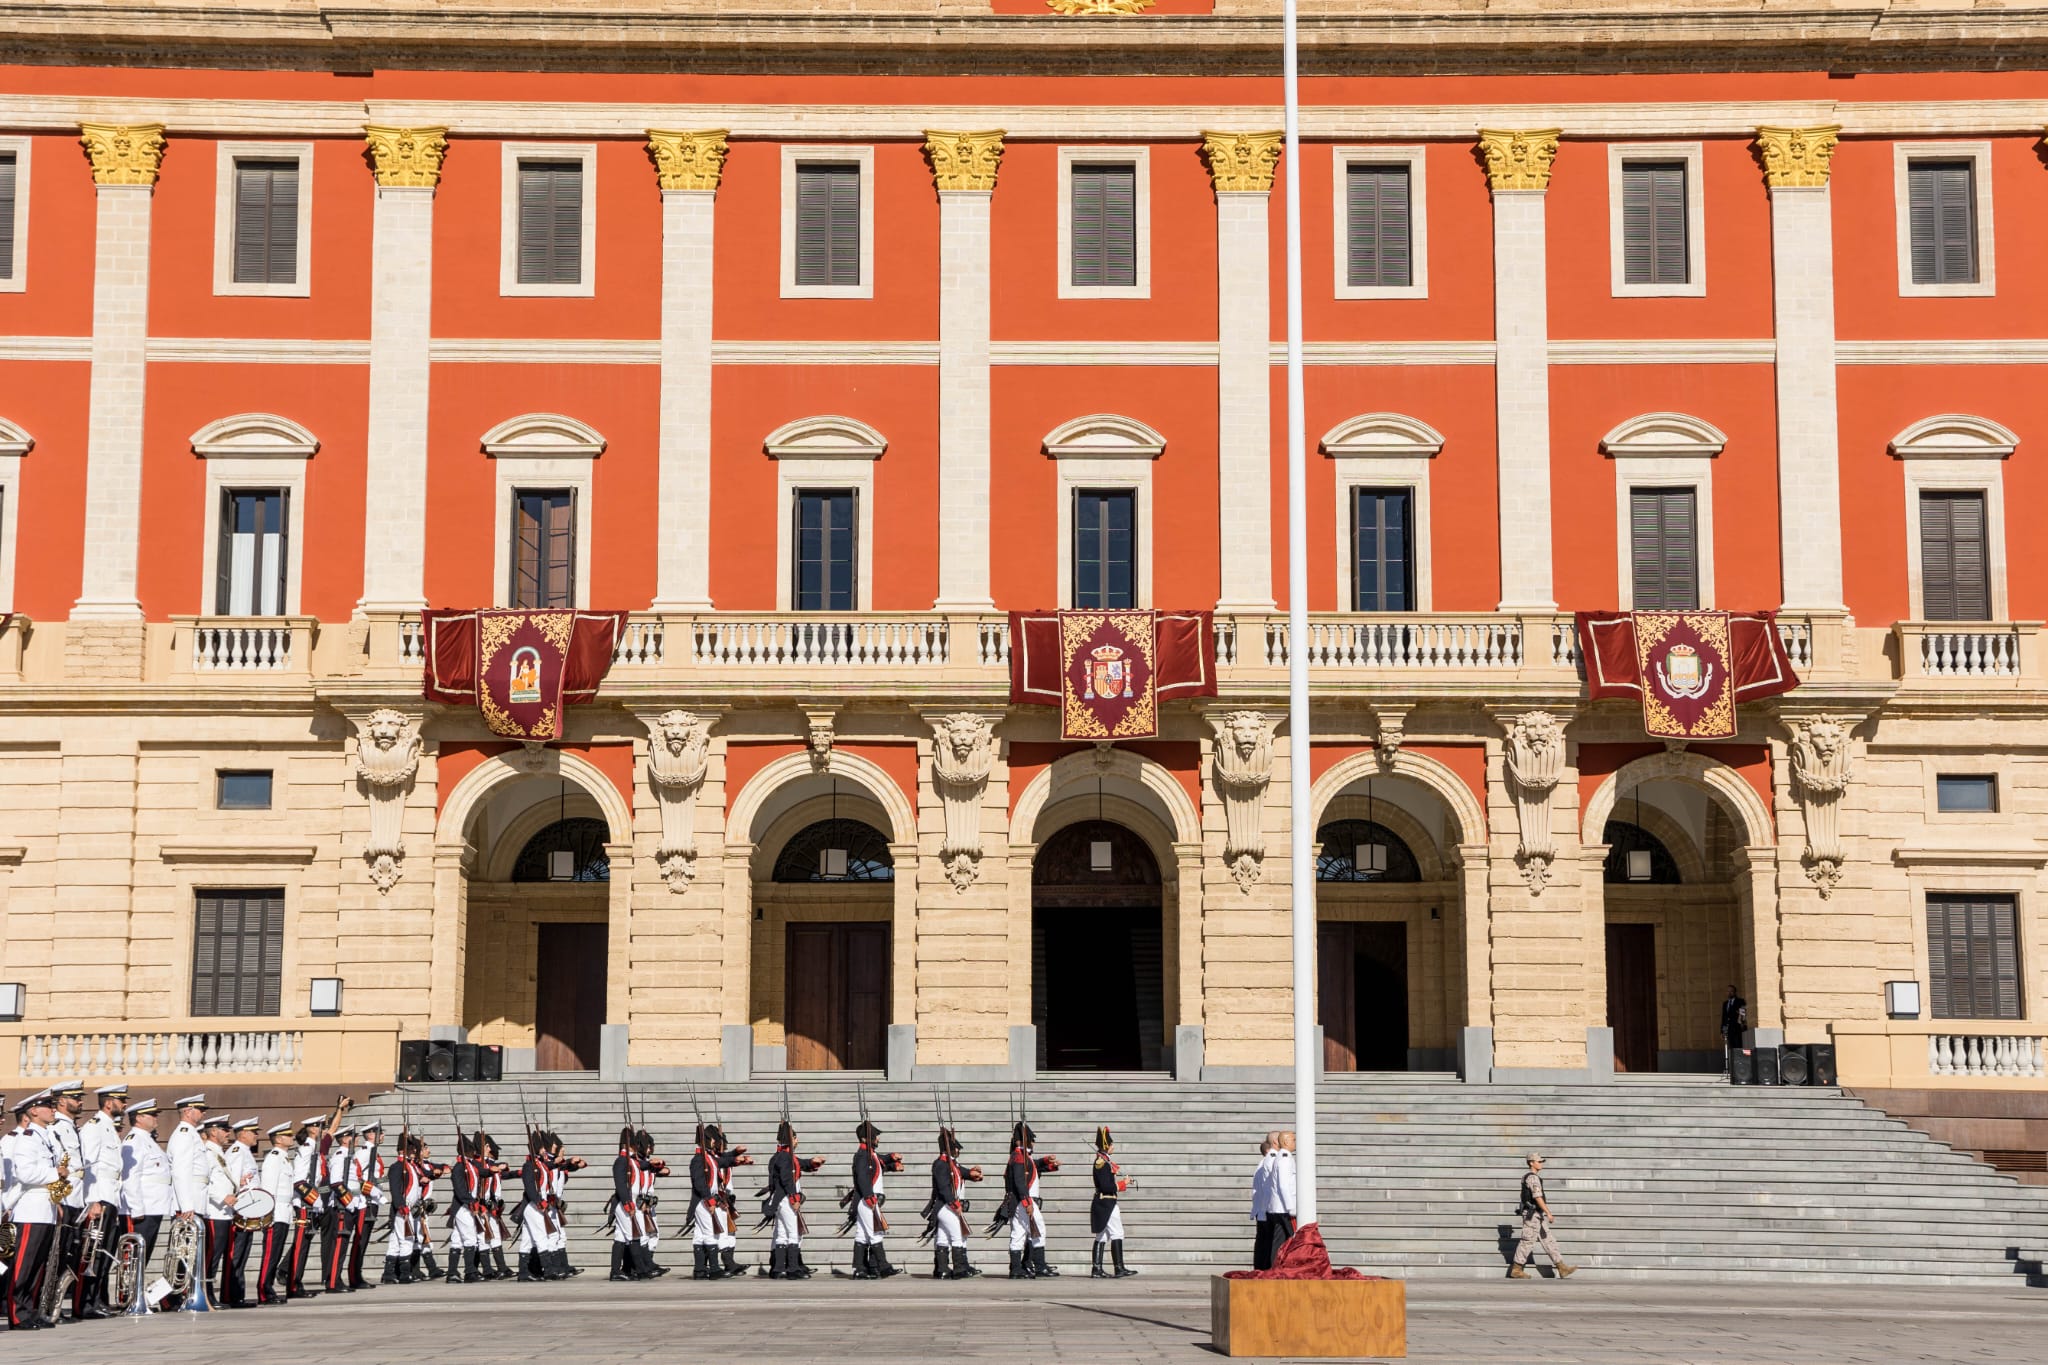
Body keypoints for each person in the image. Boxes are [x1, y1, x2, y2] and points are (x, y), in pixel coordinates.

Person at [4, 1090, 64, 1330]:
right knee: (24, 1265)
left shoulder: (46, 1137)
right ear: (34, 1111)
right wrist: (55, 1174)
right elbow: (25, 1173)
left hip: (46, 1207)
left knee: (39, 1265)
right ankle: (17, 1315)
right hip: (30, 1208)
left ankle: (30, 1311)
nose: (52, 1110)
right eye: (48, 1106)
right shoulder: (27, 1138)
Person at [74, 1082, 126, 1318]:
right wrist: (92, 1200)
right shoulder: (94, 1127)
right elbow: (88, 1165)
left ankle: (95, 1300)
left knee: (103, 1253)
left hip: (110, 1195)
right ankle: (84, 1303)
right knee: (92, 1254)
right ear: (108, 1103)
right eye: (120, 1100)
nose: (124, 1104)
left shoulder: (108, 1127)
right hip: (100, 1196)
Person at [118, 1098, 173, 1287]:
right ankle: (128, 1293)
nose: (156, 1118)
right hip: (141, 1208)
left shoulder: (147, 1140)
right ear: (139, 1118)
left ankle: (135, 1291)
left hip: (154, 1206)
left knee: (144, 1254)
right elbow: (130, 1177)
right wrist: (136, 1207)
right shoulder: (134, 1141)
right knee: (133, 1254)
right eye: (152, 1115)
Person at [763, 1117, 824, 1280]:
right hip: (786, 1199)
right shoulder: (785, 1157)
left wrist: (812, 1162)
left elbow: (798, 1164)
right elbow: (787, 1179)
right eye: (795, 1138)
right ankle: (793, 1268)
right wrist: (794, 1198)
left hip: (782, 1199)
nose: (797, 1141)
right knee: (793, 1233)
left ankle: (779, 1269)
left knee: (782, 1234)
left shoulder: (784, 1156)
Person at [998, 1119, 1059, 1279]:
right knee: (1039, 1229)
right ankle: (1039, 1266)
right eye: (1030, 1140)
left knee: (1018, 1234)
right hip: (1023, 1200)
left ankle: (1016, 1268)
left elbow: (1035, 1164)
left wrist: (1048, 1162)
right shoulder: (1019, 1157)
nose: (1033, 1143)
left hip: (1019, 1201)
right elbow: (1019, 1182)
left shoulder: (1022, 1156)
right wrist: (1027, 1203)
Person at [926, 1122, 982, 1281]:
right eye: (955, 1147)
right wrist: (955, 1204)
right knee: (958, 1235)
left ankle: (942, 1270)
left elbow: (962, 1172)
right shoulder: (941, 1164)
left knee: (943, 1238)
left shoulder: (951, 1164)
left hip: (948, 1206)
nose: (958, 1150)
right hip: (945, 1206)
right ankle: (959, 1268)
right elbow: (944, 1188)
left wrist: (973, 1173)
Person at [1509, 1153, 1576, 1279]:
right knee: (1527, 1241)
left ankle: (1561, 1267)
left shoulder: (1532, 1177)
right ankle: (1516, 1269)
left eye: (1541, 1161)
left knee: (1548, 1240)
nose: (1541, 1163)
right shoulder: (1532, 1178)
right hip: (1532, 1215)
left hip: (1537, 1214)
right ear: (1531, 1163)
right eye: (1538, 1161)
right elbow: (1537, 1197)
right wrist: (1549, 1212)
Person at [196, 1114, 240, 1304]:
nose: (228, 1133)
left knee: (218, 1255)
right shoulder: (207, 1152)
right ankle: (206, 1294)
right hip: (214, 1212)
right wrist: (223, 1197)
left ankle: (210, 1293)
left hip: (224, 1212)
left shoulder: (218, 1152)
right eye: (224, 1130)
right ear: (213, 1132)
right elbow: (206, 1182)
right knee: (211, 1256)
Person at [219, 1117, 261, 1307]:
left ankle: (237, 1294)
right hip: (240, 1209)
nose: (257, 1136)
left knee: (242, 1254)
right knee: (236, 1255)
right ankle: (230, 1294)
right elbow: (233, 1182)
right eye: (254, 1132)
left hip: (248, 1209)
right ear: (243, 1133)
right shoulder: (237, 1152)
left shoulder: (245, 1152)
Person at [257, 1122, 297, 1303]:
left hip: (284, 1211)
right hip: (275, 1212)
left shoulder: (284, 1158)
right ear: (279, 1139)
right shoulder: (273, 1158)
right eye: (288, 1135)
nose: (292, 1138)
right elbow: (268, 1189)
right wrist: (268, 1215)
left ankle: (269, 1287)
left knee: (277, 1252)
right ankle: (264, 1290)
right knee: (270, 1254)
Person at [1090, 1126, 1136, 1279]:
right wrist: (1123, 1183)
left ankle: (1097, 1269)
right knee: (1117, 1233)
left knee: (1102, 1236)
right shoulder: (1102, 1162)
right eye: (1111, 1144)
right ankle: (1119, 1267)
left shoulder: (1105, 1161)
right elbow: (1106, 1186)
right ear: (1106, 1146)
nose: (1113, 1146)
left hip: (1105, 1202)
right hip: (1107, 1202)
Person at [348, 1120, 386, 1289]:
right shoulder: (364, 1153)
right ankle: (354, 1276)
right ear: (370, 1135)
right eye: (380, 1132)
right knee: (360, 1240)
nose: (383, 1135)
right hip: (366, 1200)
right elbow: (355, 1177)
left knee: (364, 1240)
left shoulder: (373, 1152)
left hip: (372, 1200)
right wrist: (371, 1190)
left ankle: (357, 1274)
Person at [1249, 1133, 1279, 1270]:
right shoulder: (1271, 1161)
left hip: (1263, 1209)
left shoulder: (1263, 1163)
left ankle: (1261, 1269)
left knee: (1264, 1242)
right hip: (1269, 1209)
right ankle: (1269, 1270)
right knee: (1273, 1242)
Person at [1721, 985, 1748, 1073]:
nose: (1729, 993)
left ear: (1735, 992)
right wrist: (1722, 1030)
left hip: (1738, 1028)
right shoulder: (1725, 1003)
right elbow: (1724, 1017)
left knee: (1739, 1046)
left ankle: (1741, 1066)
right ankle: (1733, 1067)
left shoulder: (1740, 1001)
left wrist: (1742, 1024)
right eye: (1728, 991)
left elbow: (1743, 1014)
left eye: (1731, 991)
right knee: (1731, 1047)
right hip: (1729, 1029)